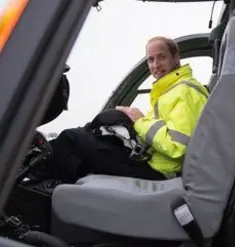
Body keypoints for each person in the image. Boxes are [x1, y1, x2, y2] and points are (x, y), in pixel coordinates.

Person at [40, 36, 208, 183]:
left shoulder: (186, 91)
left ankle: (46, 193)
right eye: (151, 59)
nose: (156, 65)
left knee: (71, 140)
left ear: (176, 58)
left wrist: (140, 120)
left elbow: (177, 147)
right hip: (150, 161)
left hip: (157, 171)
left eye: (162, 57)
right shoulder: (170, 91)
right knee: (88, 134)